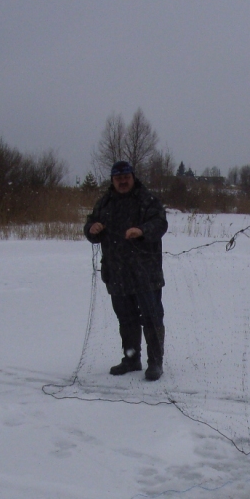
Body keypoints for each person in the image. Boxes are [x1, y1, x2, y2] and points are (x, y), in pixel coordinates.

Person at [84, 161, 169, 381]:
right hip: (117, 273)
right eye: (118, 179)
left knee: (152, 318)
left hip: (145, 274)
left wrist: (141, 231)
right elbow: (91, 225)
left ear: (133, 177)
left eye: (126, 178)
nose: (123, 182)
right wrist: (92, 229)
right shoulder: (105, 203)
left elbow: (160, 223)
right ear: (112, 180)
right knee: (126, 319)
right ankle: (131, 359)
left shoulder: (147, 199)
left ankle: (155, 362)